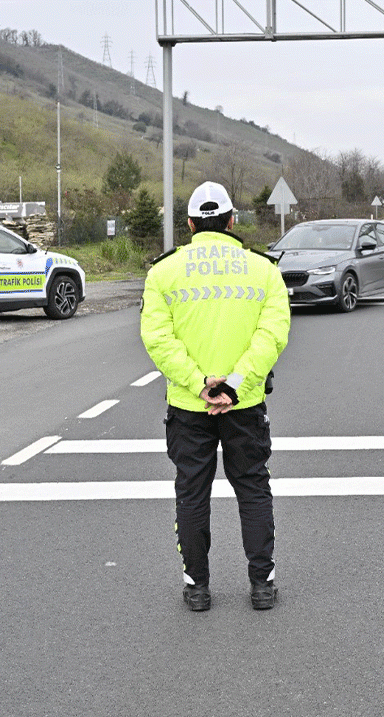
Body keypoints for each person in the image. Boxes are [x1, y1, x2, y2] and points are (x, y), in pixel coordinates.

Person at [140, 181, 291, 613]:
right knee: (253, 490)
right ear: (230, 221)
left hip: (189, 406)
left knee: (191, 494)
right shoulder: (262, 270)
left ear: (189, 225)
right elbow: (273, 334)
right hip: (243, 404)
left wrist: (198, 382)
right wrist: (235, 384)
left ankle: (197, 587)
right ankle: (262, 585)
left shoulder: (163, 272)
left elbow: (157, 337)